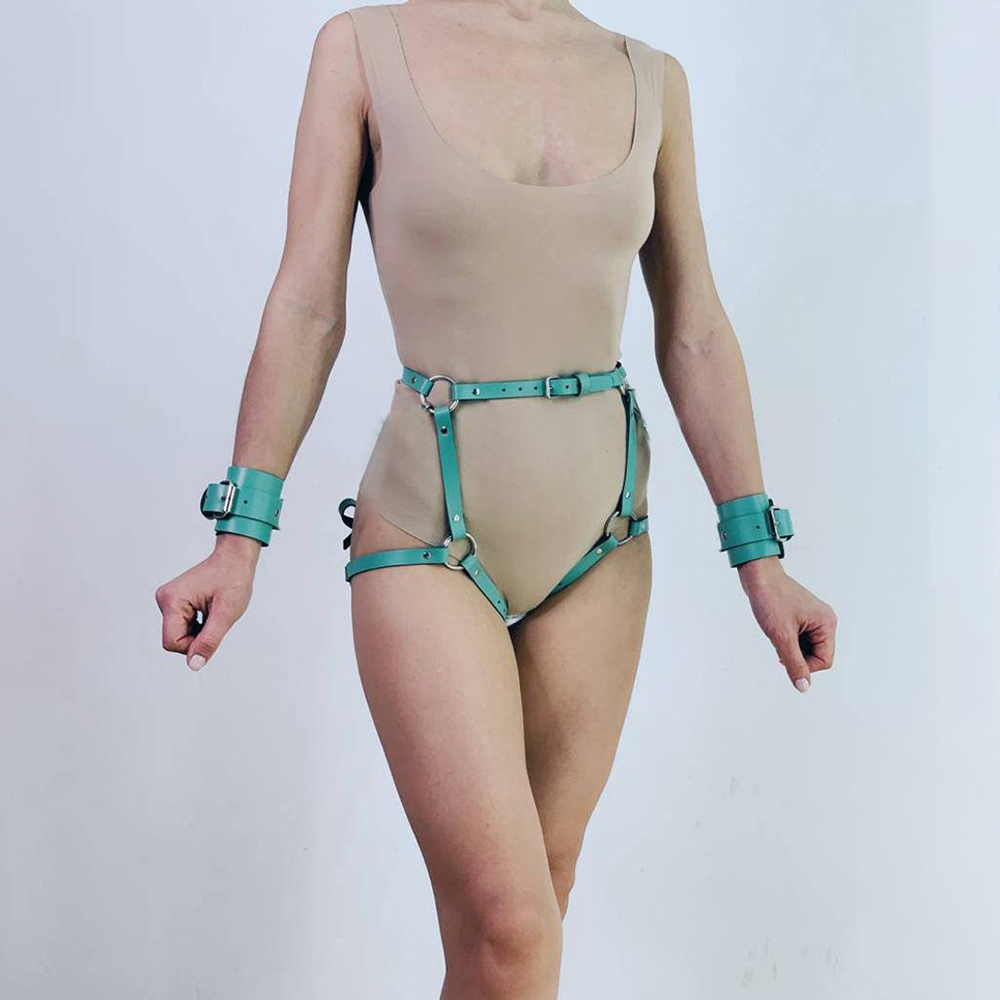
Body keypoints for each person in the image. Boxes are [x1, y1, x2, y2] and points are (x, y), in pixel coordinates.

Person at [155, 2, 838, 996]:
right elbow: (307, 303)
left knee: (528, 917)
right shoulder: (363, 50)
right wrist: (238, 537)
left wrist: (761, 557)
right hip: (427, 526)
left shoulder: (652, 76)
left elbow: (692, 327)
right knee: (511, 923)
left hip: (603, 538)